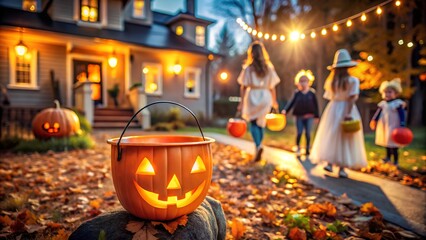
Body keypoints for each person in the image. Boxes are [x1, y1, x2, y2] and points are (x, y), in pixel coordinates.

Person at [310, 49, 367, 178]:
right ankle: (341, 168)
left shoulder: (332, 81)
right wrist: (348, 113)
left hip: (333, 109)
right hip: (346, 107)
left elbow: (330, 97)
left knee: (332, 135)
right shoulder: (352, 81)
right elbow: (352, 98)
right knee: (344, 137)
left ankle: (330, 163)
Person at [237, 41, 280, 161]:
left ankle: (258, 145)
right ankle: (258, 147)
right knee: (261, 122)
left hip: (252, 96)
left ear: (251, 53)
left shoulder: (248, 69)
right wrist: (274, 100)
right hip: (266, 96)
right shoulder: (269, 68)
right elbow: (272, 87)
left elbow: (243, 86)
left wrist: (241, 103)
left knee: (254, 123)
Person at [281, 70, 319, 156]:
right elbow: (291, 102)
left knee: (308, 133)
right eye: (301, 81)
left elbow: (316, 106)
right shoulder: (297, 93)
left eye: (305, 81)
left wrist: (317, 116)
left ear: (309, 82)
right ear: (298, 82)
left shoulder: (312, 93)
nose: (303, 83)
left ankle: (307, 149)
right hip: (299, 117)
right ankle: (298, 147)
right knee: (299, 132)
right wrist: (285, 110)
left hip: (309, 116)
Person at [369, 78, 406, 165]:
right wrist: (374, 120)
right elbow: (378, 113)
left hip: (394, 126)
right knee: (387, 142)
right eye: (385, 92)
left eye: (390, 92)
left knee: (394, 143)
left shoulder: (397, 103)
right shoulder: (383, 104)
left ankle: (396, 160)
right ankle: (388, 158)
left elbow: (402, 114)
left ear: (396, 93)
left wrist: (402, 123)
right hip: (384, 125)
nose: (387, 94)